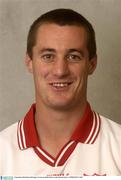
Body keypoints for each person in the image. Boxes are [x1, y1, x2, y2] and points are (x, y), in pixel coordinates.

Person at [0, 8, 121, 176]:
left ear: (92, 64)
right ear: (29, 62)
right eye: (48, 56)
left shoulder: (118, 147)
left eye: (73, 56)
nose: (60, 70)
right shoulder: (2, 152)